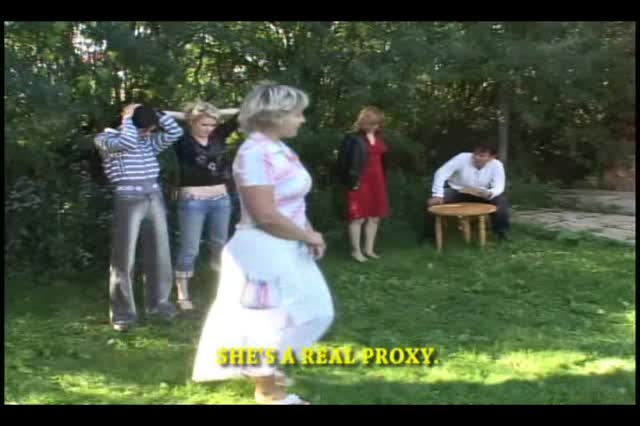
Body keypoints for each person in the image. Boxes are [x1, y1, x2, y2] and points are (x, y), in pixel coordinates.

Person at [192, 83, 335, 405]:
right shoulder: (253, 153)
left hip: (288, 244)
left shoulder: (280, 149)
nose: (302, 119)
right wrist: (307, 236)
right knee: (267, 324)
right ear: (275, 115)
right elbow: (265, 215)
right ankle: (268, 391)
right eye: (297, 113)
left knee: (318, 312)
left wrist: (309, 231)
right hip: (261, 250)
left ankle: (261, 368)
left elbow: (292, 201)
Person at [94, 104, 184, 332]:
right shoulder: (105, 139)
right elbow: (127, 142)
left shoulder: (147, 141)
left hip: (154, 196)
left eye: (151, 129)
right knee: (124, 259)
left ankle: (159, 306)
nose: (149, 133)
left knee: (160, 255)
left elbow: (176, 132)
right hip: (128, 198)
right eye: (145, 128)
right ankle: (123, 315)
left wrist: (157, 113)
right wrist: (128, 118)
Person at [173, 102, 239, 311]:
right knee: (190, 248)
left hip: (221, 200)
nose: (209, 128)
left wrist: (216, 112)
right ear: (192, 123)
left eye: (212, 124)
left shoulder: (218, 136)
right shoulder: (181, 139)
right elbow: (157, 116)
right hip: (193, 201)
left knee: (220, 246)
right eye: (204, 124)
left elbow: (243, 112)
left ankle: (221, 291)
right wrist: (187, 114)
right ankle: (183, 294)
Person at [424, 143, 511, 241]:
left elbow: (499, 186)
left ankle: (501, 233)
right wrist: (437, 195)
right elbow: (441, 173)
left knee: (501, 202)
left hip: (481, 194)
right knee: (432, 203)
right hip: (458, 191)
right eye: (475, 154)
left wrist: (490, 193)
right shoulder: (462, 158)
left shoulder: (497, 165)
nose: (476, 157)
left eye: (481, 156)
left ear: (492, 157)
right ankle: (430, 236)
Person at [336, 106, 390, 262]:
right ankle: (356, 251)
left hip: (377, 181)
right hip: (359, 180)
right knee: (358, 217)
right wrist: (349, 181)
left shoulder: (380, 136)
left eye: (375, 124)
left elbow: (384, 160)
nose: (372, 126)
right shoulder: (352, 138)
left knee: (374, 217)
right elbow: (343, 162)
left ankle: (369, 249)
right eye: (369, 123)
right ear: (362, 122)